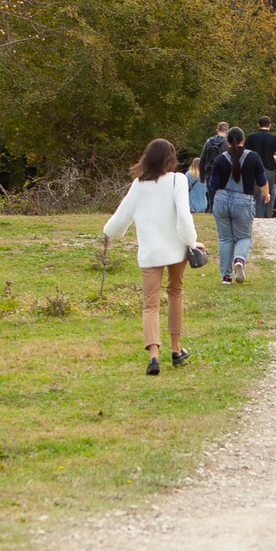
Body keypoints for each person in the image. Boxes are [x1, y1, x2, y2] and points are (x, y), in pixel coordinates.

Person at [100, 138, 201, 375]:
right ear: (170, 158)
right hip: (176, 250)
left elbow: (116, 225)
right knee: (175, 292)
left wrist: (107, 231)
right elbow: (184, 216)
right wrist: (192, 242)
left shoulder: (138, 185)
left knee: (150, 304)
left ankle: (153, 356)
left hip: (150, 252)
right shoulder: (177, 180)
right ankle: (175, 349)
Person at [207, 126, 268, 284]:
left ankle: (226, 276)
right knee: (244, 237)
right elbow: (262, 180)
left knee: (225, 239)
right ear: (243, 140)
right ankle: (239, 259)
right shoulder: (253, 157)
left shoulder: (220, 159)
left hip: (221, 201)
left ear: (227, 142)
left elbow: (213, 184)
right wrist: (266, 194)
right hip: (243, 202)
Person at [244, 116, 276, 217]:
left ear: (258, 125)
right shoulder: (274, 138)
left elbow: (246, 154)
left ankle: (257, 217)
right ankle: (268, 217)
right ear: (270, 125)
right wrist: (274, 159)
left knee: (256, 196)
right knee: (268, 195)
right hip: (269, 169)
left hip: (254, 170)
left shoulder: (251, 137)